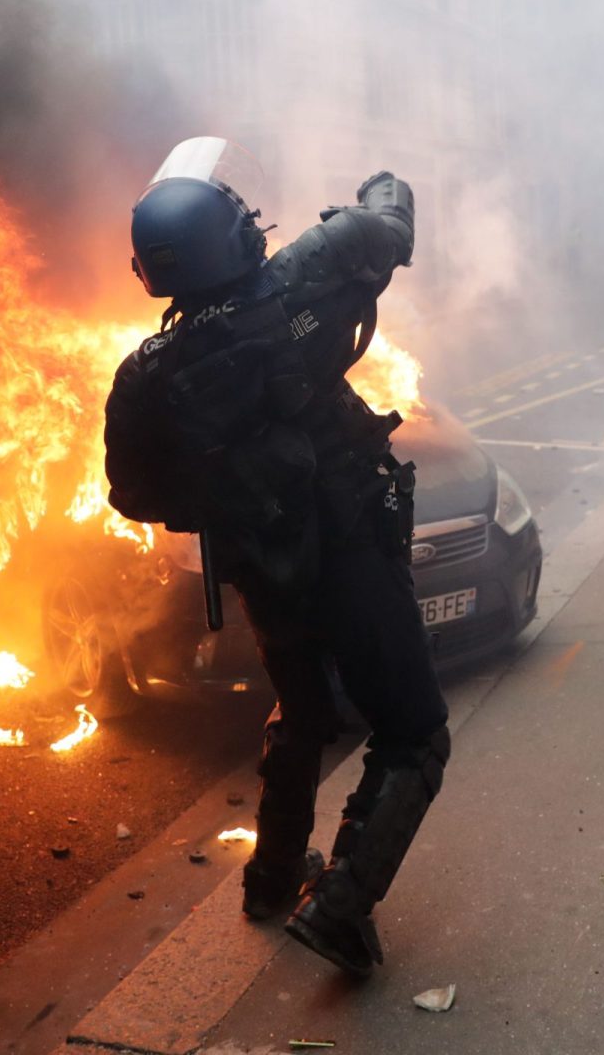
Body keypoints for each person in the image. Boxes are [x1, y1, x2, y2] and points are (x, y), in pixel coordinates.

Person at [103, 137, 448, 978]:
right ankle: (339, 905)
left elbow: (134, 496)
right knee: (413, 736)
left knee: (302, 713)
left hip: (266, 569)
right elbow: (389, 217)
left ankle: (271, 878)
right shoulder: (307, 273)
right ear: (236, 235)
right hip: (354, 554)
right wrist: (372, 181)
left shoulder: (145, 374)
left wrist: (230, 500)